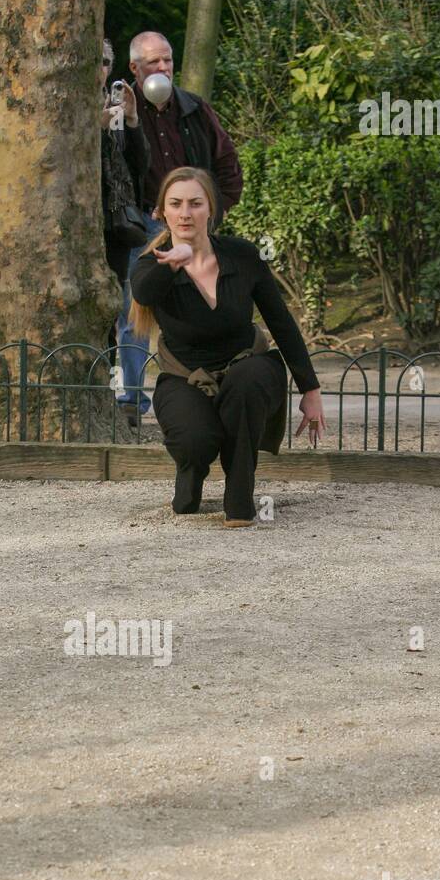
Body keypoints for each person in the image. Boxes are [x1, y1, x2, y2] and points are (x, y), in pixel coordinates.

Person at [129, 167, 326, 527]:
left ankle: (240, 500)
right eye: (175, 204)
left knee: (248, 380)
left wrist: (309, 389)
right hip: (185, 377)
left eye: (195, 203)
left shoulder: (243, 255)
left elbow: (281, 322)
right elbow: (143, 293)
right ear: (162, 212)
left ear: (212, 210)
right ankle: (191, 474)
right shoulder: (149, 266)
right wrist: (173, 263)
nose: (185, 213)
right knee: (196, 440)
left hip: (246, 366)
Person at [116, 30, 243, 427]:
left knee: (204, 304)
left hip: (195, 228)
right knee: (135, 311)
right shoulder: (121, 113)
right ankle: (133, 401)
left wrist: (210, 215)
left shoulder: (193, 108)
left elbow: (227, 165)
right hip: (145, 227)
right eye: (153, 62)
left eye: (167, 60)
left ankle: (207, 391)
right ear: (135, 69)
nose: (163, 68)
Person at [100, 39, 150, 357]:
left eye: (105, 61)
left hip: (114, 223)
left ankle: (106, 383)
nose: (99, 68)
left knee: (109, 305)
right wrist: (92, 127)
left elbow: (139, 166)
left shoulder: (113, 105)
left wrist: (130, 120)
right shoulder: (60, 104)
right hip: (72, 223)